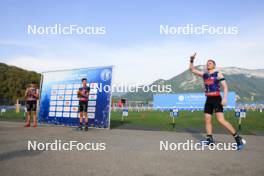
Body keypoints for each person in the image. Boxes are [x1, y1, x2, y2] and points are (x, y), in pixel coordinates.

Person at [189, 52, 246, 150]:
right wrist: (191, 60)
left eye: (210, 63)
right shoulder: (204, 74)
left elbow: (225, 87)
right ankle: (209, 139)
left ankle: (238, 138)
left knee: (221, 120)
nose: (208, 64)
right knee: (207, 119)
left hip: (216, 98)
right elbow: (192, 69)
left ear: (214, 65)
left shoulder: (218, 73)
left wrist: (224, 98)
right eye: (207, 63)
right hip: (208, 99)